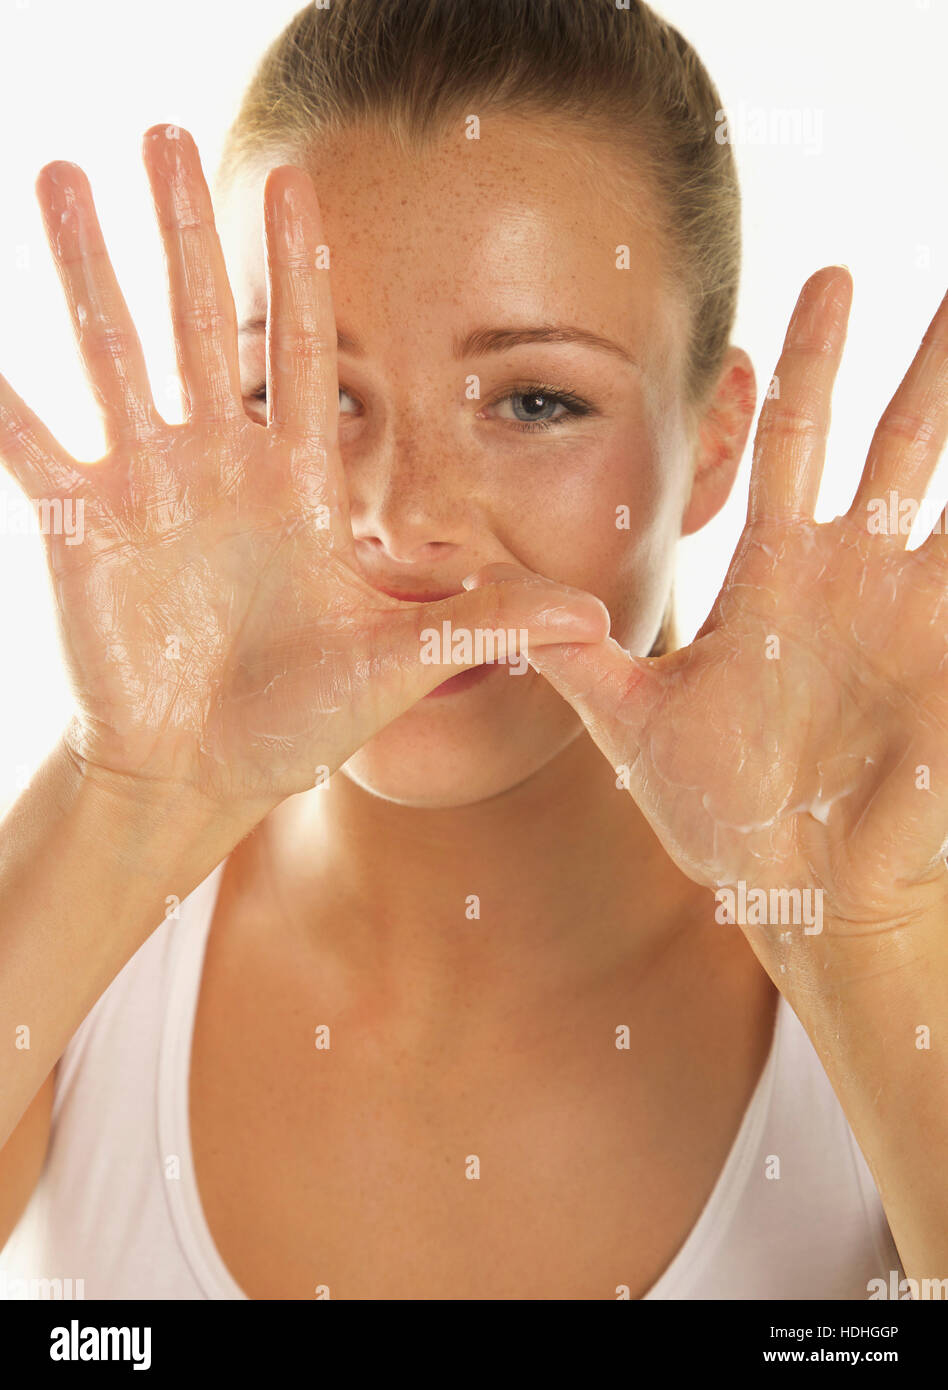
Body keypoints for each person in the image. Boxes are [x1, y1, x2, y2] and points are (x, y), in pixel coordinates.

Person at [0, 0, 945, 1301]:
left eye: (534, 400)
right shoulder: (79, 952)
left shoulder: (879, 967)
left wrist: (872, 941)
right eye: (309, 394)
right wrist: (123, 801)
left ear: (716, 439)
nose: (405, 514)